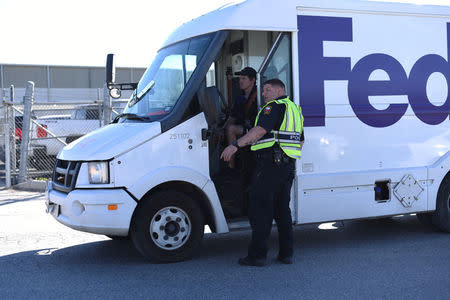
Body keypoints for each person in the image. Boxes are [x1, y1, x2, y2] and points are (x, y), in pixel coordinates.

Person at [220, 79, 304, 266]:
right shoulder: (294, 110)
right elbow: (300, 141)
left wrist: (235, 145)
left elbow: (259, 131)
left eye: (268, 90)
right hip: (287, 166)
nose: (264, 94)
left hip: (269, 166)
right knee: (283, 211)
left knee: (261, 211)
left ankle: (257, 256)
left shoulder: (273, 107)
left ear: (279, 90)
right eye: (264, 90)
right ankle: (286, 254)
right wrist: (288, 157)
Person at [223, 67, 258, 168]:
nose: (240, 81)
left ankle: (231, 167)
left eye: (244, 79)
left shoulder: (259, 96)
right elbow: (232, 117)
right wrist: (221, 129)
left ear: (253, 80)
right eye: (240, 79)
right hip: (244, 128)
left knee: (231, 129)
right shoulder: (240, 97)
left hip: (255, 129)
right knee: (227, 128)